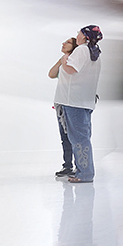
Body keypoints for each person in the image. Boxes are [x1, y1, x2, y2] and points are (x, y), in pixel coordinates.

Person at [55, 25, 103, 183]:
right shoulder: (94, 52)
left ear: (85, 36)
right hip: (84, 101)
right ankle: (83, 170)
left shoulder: (82, 50)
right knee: (82, 137)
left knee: (79, 139)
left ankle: (85, 174)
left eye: (79, 33)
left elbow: (70, 69)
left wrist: (63, 61)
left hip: (74, 101)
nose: (77, 34)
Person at [49, 37, 78, 178]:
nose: (63, 43)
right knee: (64, 137)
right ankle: (67, 166)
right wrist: (61, 60)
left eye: (67, 42)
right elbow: (51, 74)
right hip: (61, 104)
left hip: (71, 104)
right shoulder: (64, 61)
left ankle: (78, 167)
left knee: (73, 137)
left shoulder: (74, 63)